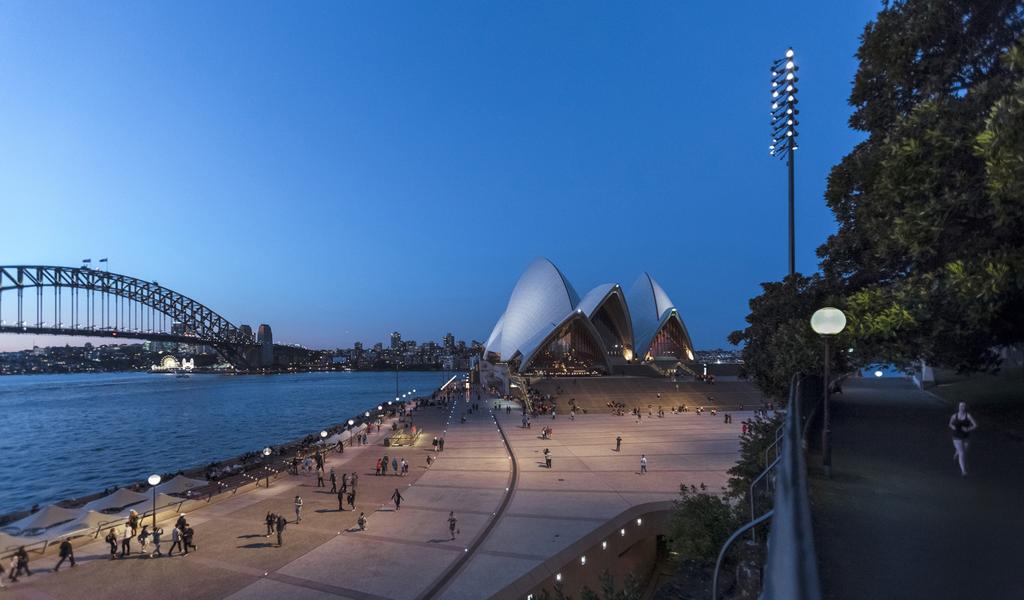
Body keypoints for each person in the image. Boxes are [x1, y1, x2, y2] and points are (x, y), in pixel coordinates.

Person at [949, 401, 978, 477]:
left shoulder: (968, 416)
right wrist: (953, 427)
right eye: (961, 406)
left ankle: (957, 451)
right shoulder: (954, 416)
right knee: (962, 453)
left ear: (965, 407)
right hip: (956, 436)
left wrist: (968, 429)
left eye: (964, 406)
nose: (962, 407)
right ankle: (963, 470)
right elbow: (950, 424)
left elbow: (975, 425)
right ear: (958, 407)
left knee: (964, 451)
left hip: (966, 436)